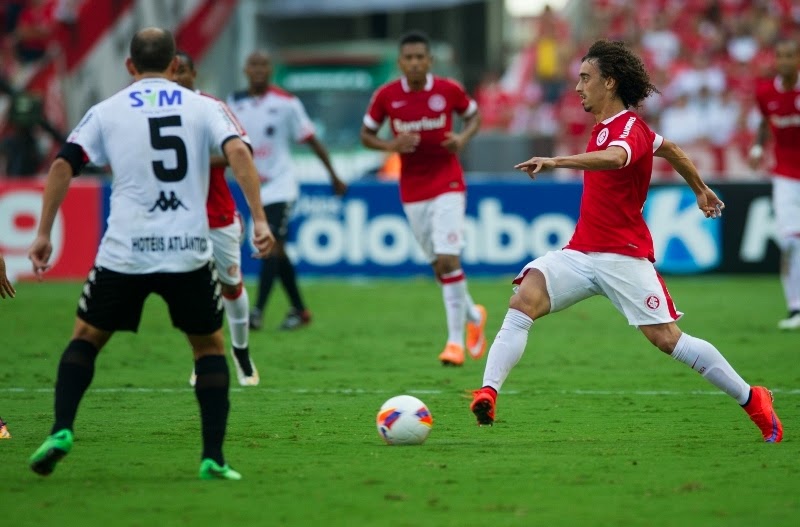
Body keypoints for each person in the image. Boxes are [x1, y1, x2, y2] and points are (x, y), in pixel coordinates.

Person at [469, 40, 783, 444]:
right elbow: (671, 149)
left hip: (624, 257)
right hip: (580, 253)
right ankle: (488, 393)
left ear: (610, 82)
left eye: (586, 78)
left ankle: (753, 398)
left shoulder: (629, 128)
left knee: (667, 340)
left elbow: (616, 158)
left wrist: (557, 161)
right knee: (523, 301)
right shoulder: (612, 128)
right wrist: (700, 188)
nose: (578, 87)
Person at [26, 27, 275, 480]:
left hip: (126, 250)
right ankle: (213, 458)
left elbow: (63, 164)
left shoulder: (107, 110)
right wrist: (259, 219)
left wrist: (44, 233)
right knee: (208, 347)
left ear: (130, 65)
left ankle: (61, 429)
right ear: (175, 65)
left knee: (85, 337)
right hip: (187, 249)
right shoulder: (204, 106)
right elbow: (239, 152)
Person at [360, 30, 487, 367]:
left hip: (448, 181)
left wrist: (462, 139)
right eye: (409, 58)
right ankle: (475, 316)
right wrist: (390, 146)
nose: (415, 63)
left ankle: (454, 344)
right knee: (439, 268)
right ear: (401, 62)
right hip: (413, 188)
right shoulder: (386, 96)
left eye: (420, 57)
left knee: (448, 259)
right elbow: (366, 134)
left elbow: (474, 116)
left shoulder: (448, 90)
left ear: (430, 61)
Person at [227, 50, 348, 331]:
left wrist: (333, 175)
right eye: (254, 65)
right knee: (278, 251)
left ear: (271, 70)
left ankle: (257, 312)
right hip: (252, 187)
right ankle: (300, 310)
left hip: (280, 186)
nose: (259, 70)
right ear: (246, 69)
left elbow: (311, 139)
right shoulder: (234, 102)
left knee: (269, 244)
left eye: (264, 65)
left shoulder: (286, 103)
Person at [173, 50, 259, 387]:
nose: (176, 77)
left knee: (231, 285)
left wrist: (196, 160)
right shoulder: (154, 111)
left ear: (194, 74)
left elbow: (242, 152)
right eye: (171, 71)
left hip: (218, 214)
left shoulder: (210, 107)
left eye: (182, 70)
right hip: (178, 217)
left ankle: (241, 350)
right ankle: (202, 357)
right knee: (192, 291)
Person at [748, 38, 800, 331]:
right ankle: (795, 307)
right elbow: (764, 121)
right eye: (780, 55)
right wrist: (758, 147)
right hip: (785, 176)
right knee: (790, 242)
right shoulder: (765, 92)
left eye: (790, 55)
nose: (785, 61)